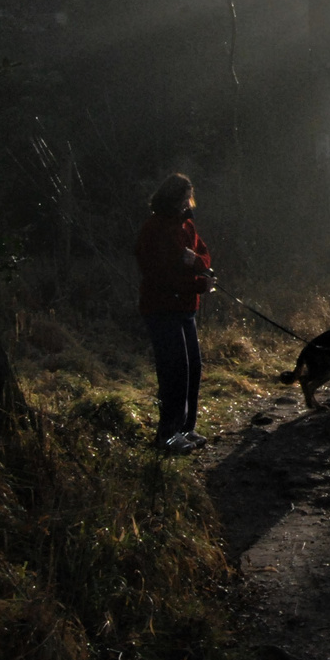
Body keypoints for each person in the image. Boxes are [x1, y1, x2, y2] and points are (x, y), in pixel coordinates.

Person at [135, 173, 214, 455]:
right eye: (182, 198)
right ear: (171, 198)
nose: (186, 204)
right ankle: (167, 434)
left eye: (187, 198)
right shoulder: (153, 228)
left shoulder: (187, 224)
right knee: (174, 371)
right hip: (162, 309)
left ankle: (185, 428)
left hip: (186, 309)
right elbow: (158, 275)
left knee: (192, 368)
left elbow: (204, 256)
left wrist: (196, 266)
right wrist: (197, 282)